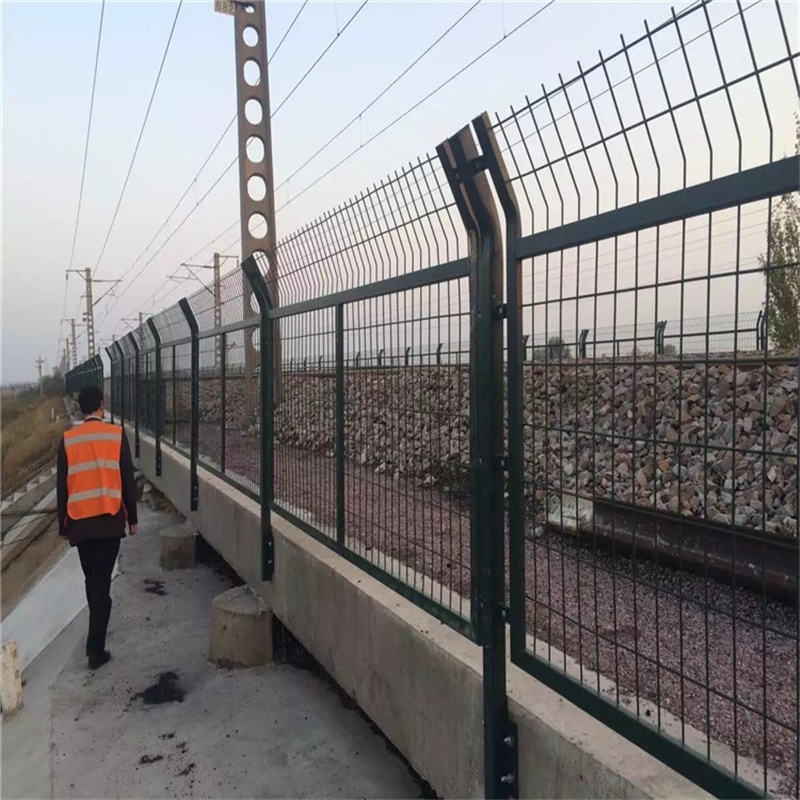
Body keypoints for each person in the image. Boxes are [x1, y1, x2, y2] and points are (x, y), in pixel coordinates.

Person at [57, 385, 138, 670]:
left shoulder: (68, 440)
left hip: (80, 523)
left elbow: (62, 487)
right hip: (108, 520)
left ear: (81, 409)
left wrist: (63, 524)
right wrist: (133, 518)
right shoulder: (115, 435)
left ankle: (96, 638)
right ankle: (95, 650)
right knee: (100, 585)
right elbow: (127, 480)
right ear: (102, 405)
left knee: (93, 581)